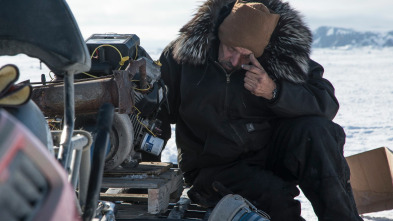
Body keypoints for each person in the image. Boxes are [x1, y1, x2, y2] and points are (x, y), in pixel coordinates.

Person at [157, 0, 363, 220]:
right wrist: (141, 178)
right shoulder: (183, 57)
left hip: (269, 153)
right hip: (215, 167)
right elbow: (154, 113)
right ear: (219, 36)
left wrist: (275, 92)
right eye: (230, 49)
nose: (235, 60)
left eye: (246, 55)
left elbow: (326, 102)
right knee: (275, 201)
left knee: (317, 132)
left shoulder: (281, 56)